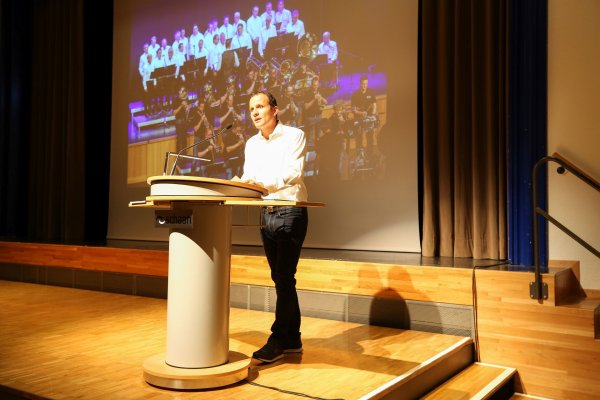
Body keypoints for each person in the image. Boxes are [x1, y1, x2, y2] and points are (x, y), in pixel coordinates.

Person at [239, 91, 308, 363]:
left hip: (289, 211)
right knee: (281, 279)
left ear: (275, 109)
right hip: (265, 213)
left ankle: (278, 339)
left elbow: (294, 173)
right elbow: (249, 177)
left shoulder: (294, 135)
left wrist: (263, 185)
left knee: (284, 276)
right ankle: (292, 339)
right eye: (251, 109)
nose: (255, 112)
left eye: (260, 106)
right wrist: (240, 185)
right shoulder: (251, 144)